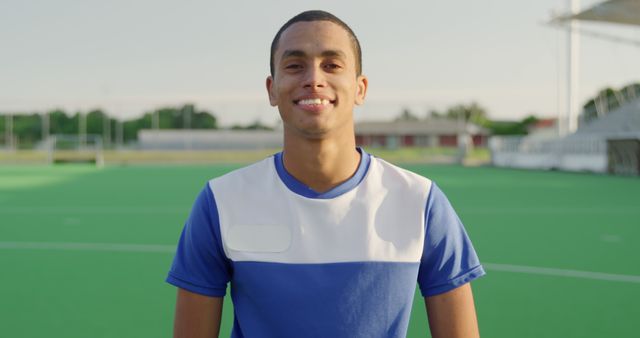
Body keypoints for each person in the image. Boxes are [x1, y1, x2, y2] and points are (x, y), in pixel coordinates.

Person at [166, 10, 485, 338]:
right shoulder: (221, 201)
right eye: (294, 65)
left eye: (332, 65)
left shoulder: (420, 201)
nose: (314, 78)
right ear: (272, 89)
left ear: (360, 88)